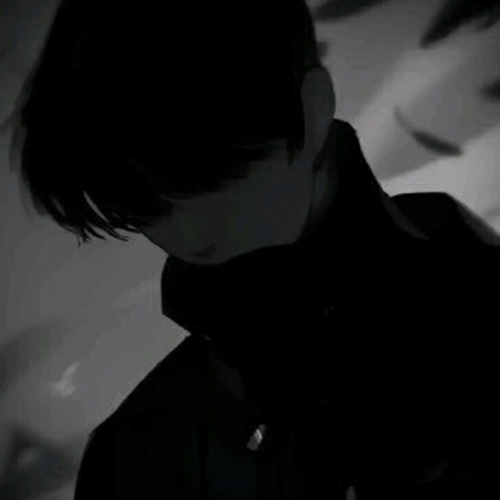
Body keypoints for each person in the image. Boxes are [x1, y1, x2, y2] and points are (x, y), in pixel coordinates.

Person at [8, 0, 500, 498]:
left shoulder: (472, 303)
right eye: (143, 208)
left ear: (312, 111)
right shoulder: (138, 453)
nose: (185, 233)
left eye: (209, 175)